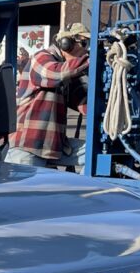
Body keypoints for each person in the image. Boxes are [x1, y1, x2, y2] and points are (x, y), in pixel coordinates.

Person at [5, 22, 91, 171]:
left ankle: (81, 193)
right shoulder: (41, 58)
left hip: (52, 145)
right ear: (66, 43)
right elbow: (55, 73)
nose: (86, 50)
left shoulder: (69, 73)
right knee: (22, 192)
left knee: (93, 152)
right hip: (28, 146)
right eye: (84, 43)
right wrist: (91, 60)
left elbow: (83, 103)